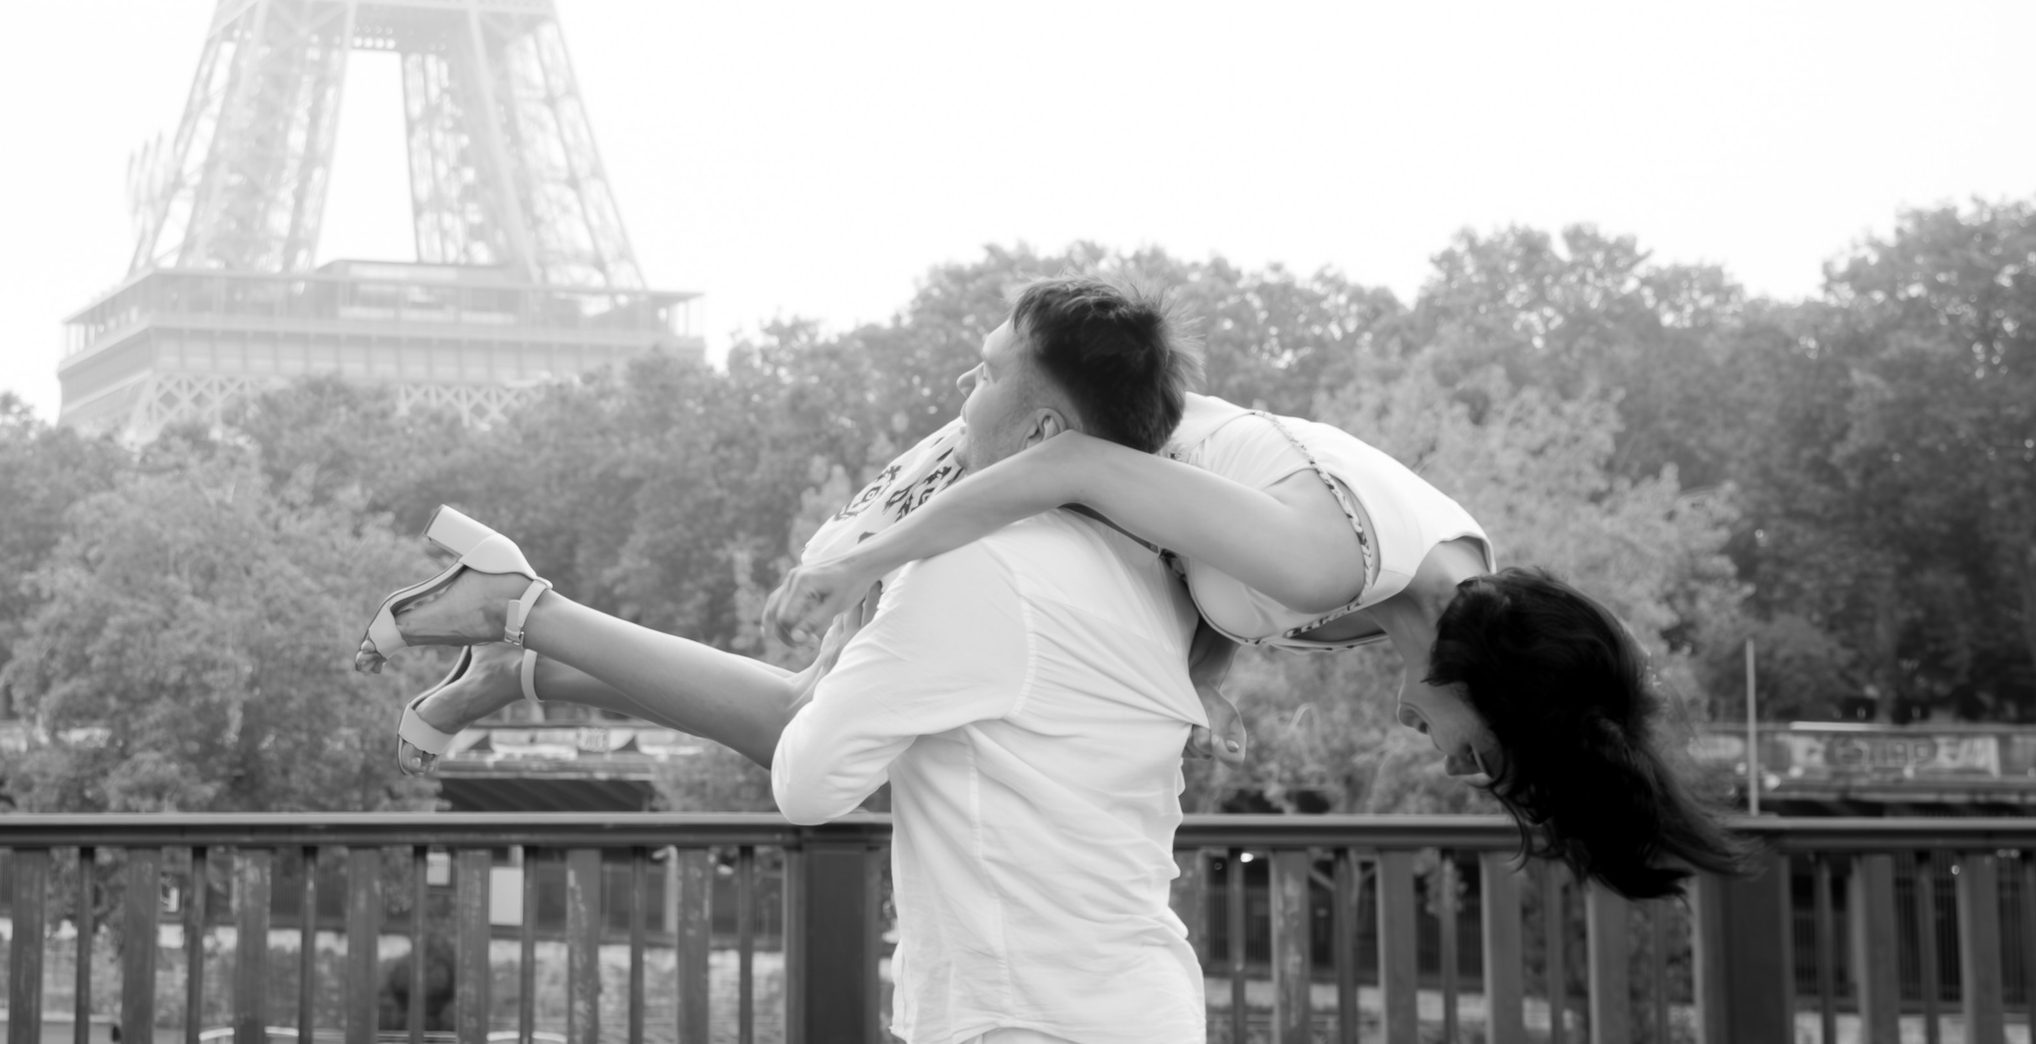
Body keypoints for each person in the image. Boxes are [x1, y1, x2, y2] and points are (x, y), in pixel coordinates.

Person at [358, 276, 1744, 902]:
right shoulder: (1340, 563)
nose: (1443, 757)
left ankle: (525, 654)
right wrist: (865, 555)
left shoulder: (1434, 574)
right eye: (1477, 750)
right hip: (1023, 461)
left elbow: (1189, 551)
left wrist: (1177, 695)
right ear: (1478, 681)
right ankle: (519, 613)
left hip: (1066, 502)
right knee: (813, 729)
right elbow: (1074, 454)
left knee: (843, 739)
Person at [362, 277, 1214, 1044]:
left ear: (1043, 430)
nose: (963, 390)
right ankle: (522, 632)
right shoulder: (1153, 565)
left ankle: (522, 614)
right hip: (1132, 1002)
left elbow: (806, 777)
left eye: (987, 373)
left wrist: (874, 604)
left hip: (1025, 1020)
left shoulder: (980, 567)